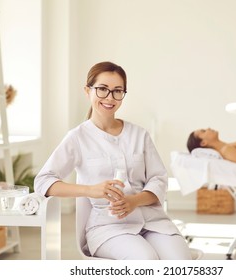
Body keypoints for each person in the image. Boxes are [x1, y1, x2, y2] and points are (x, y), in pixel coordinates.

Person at [34, 61, 191, 260]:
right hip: (108, 227)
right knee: (145, 260)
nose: (110, 97)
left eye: (117, 91)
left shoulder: (139, 135)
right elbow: (43, 181)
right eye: (102, 89)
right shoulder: (77, 137)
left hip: (153, 222)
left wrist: (134, 201)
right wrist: (90, 190)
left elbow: (158, 179)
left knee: (181, 263)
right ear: (87, 91)